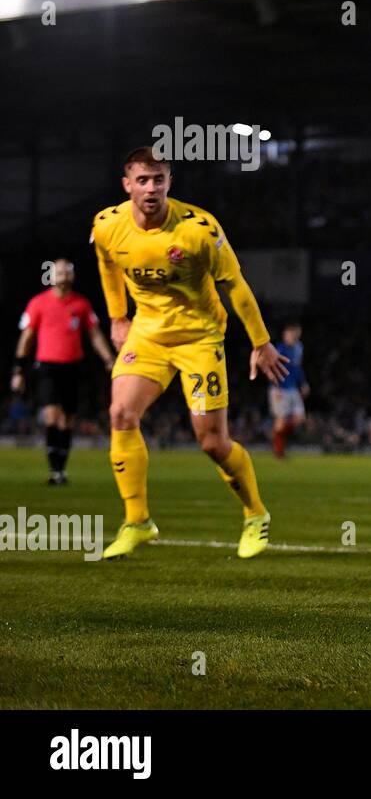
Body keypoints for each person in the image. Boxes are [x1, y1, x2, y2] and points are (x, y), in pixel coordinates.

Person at [92, 147, 288, 560]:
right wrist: (116, 317)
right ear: (126, 184)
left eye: (158, 179)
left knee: (212, 443)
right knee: (121, 414)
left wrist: (261, 341)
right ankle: (138, 521)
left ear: (169, 182)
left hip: (199, 338)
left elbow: (234, 284)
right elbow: (107, 264)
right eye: (142, 180)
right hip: (147, 333)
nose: (151, 188)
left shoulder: (199, 229)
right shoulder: (108, 225)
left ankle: (255, 514)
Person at [10, 258, 115, 484]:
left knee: (67, 418)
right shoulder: (38, 303)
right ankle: (54, 469)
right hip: (47, 365)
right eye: (59, 272)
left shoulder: (81, 304)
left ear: (72, 276)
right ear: (51, 276)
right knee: (51, 415)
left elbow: (94, 334)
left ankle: (61, 470)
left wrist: (108, 359)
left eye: (67, 272)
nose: (63, 276)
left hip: (72, 365)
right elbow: (26, 338)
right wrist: (19, 370)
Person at [269, 322, 308, 458]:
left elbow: (297, 367)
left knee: (299, 418)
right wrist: (276, 387)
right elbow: (273, 369)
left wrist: (303, 383)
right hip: (281, 389)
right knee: (280, 420)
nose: (288, 337)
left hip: (292, 388)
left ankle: (278, 439)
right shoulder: (279, 349)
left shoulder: (298, 348)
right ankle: (278, 451)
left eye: (291, 335)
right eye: (287, 335)